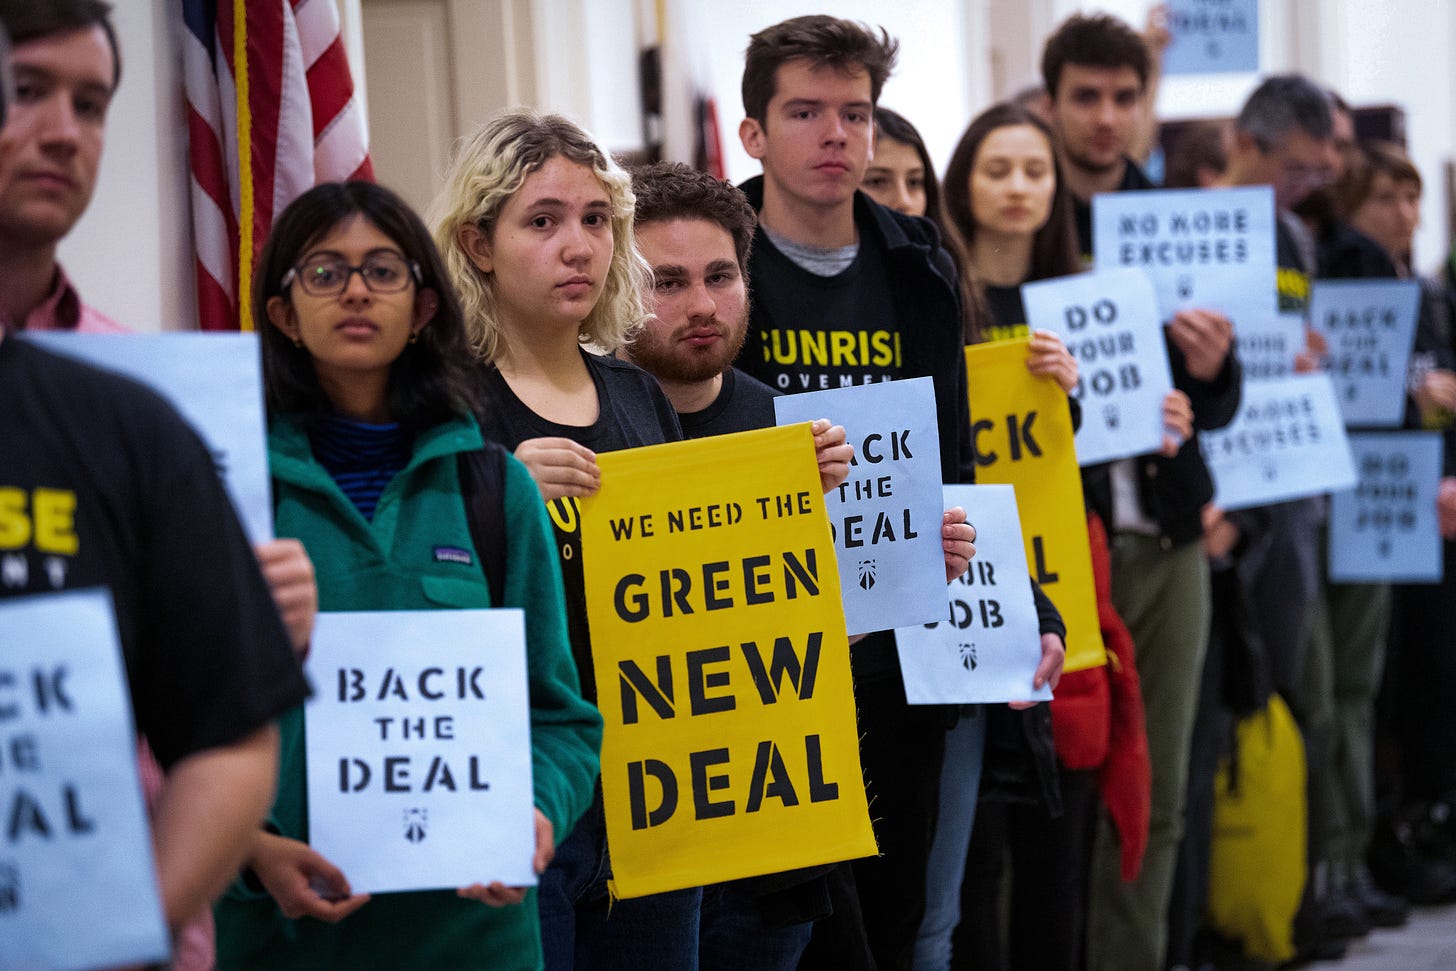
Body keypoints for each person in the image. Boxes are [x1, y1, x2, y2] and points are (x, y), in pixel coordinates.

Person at [732, 19, 1062, 969]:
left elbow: (957, 457)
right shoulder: (721, 269)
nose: (835, 135)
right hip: (776, 653)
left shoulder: (918, 263)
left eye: (854, 113)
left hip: (903, 653)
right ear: (754, 133)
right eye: (804, 112)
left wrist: (1025, 601)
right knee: (793, 932)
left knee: (905, 909)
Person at [212, 180, 601, 971]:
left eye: (384, 270)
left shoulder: (496, 490)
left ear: (424, 306)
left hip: (473, 938)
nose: (356, 290)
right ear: (284, 313)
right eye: (324, 272)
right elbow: (164, 720)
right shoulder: (224, 490)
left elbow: (560, 720)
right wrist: (251, 851)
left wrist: (535, 810)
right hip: (285, 939)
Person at [0, 5, 313, 968]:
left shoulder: (134, 409)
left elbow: (226, 729)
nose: (66, 131)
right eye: (26, 92)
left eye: (91, 105)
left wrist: (112, 930)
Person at [622, 159, 978, 970]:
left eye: (720, 275)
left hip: (778, 839)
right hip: (644, 840)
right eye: (665, 282)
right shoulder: (592, 424)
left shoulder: (792, 428)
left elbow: (825, 627)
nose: (703, 304)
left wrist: (911, 567)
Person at [428, 110, 693, 971]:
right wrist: (492, 490)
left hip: (656, 789)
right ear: (477, 243)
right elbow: (395, 584)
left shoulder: (639, 396)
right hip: (521, 785)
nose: (577, 245)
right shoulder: (441, 405)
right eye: (542, 221)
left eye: (595, 220)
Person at [934, 100, 1171, 971]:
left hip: (1065, 571)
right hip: (961, 573)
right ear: (964, 183)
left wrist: (1123, 405)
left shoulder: (1085, 301)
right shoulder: (933, 293)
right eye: (998, 169)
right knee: (978, 836)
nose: (1019, 187)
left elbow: (1132, 442)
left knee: (1060, 813)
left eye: (1036, 170)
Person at [1041, 14, 1242, 971]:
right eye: (1087, 96)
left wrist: (1215, 367)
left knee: (1159, 782)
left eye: (1126, 97)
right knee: (1060, 789)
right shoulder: (1024, 228)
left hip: (1165, 531)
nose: (1107, 117)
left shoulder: (1176, 223)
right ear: (1051, 103)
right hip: (1062, 541)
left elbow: (1218, 405)